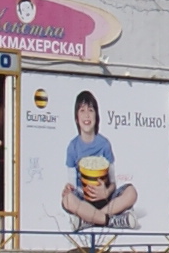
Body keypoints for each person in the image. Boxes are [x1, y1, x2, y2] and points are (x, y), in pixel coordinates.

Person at [59, 91, 138, 231]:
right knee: (67, 200)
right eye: (82, 110)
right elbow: (72, 185)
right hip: (84, 199)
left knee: (131, 192)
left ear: (96, 115)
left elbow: (113, 183)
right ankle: (111, 221)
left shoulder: (104, 144)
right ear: (76, 118)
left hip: (105, 199)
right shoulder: (73, 147)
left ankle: (88, 221)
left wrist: (106, 192)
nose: (87, 115)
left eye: (90, 110)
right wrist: (68, 189)